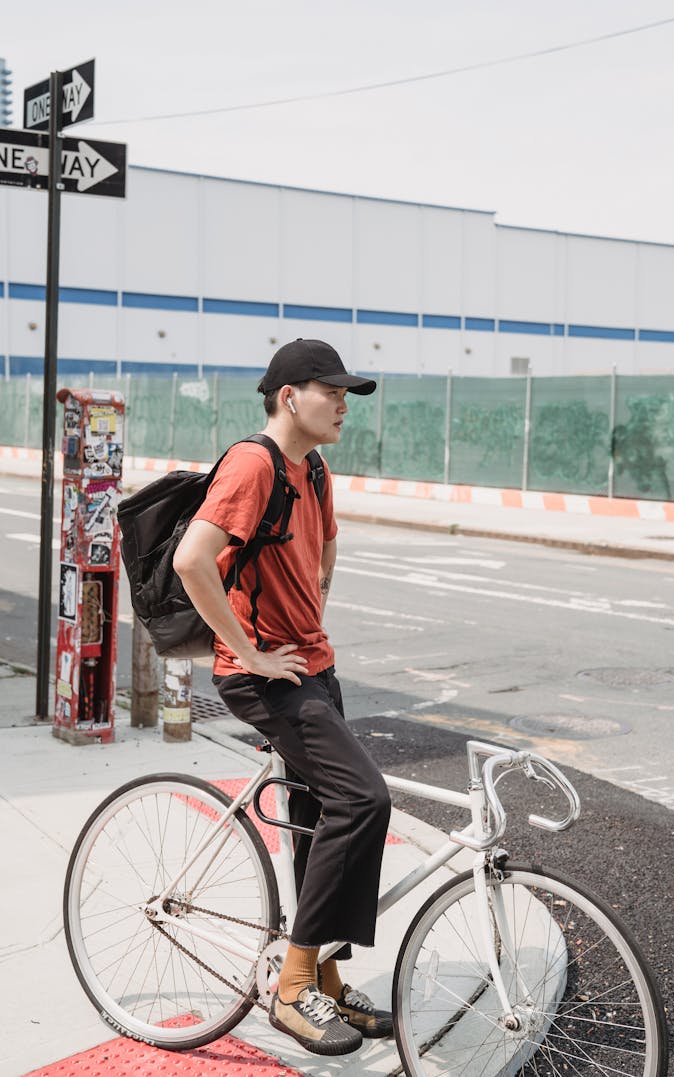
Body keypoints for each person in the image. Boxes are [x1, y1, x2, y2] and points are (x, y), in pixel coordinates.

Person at [173, 338, 392, 1057]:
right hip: (260, 676)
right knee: (363, 797)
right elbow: (192, 558)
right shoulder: (251, 463)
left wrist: (306, 625)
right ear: (291, 396)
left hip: (309, 668)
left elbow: (326, 551)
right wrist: (252, 647)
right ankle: (293, 985)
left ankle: (325, 973)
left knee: (319, 810)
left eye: (347, 394)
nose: (343, 406)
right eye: (333, 392)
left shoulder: (314, 468)